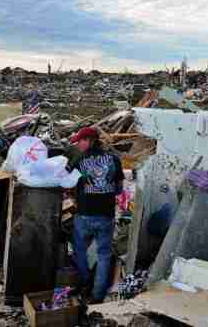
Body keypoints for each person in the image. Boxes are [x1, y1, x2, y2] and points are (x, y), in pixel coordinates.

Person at [69, 127, 124, 304]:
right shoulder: (114, 159)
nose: (78, 144)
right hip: (105, 216)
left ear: (91, 140)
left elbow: (68, 182)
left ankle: (84, 284)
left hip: (84, 215)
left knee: (79, 252)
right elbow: (119, 189)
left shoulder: (79, 160)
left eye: (81, 141)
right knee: (103, 254)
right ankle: (97, 295)